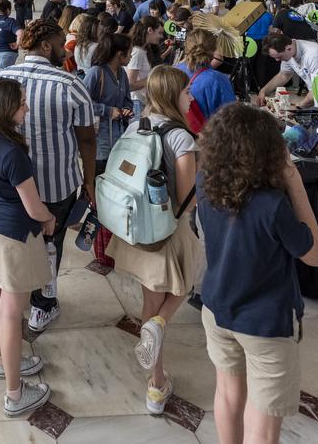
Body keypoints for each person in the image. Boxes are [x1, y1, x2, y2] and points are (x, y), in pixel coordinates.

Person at [197, 103, 318, 443]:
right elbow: (315, 255)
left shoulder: (205, 183)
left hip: (217, 308)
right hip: (266, 323)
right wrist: (294, 182)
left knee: (227, 391)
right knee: (264, 415)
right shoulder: (272, 204)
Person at [106, 65, 203, 415]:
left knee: (151, 298)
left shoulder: (136, 126)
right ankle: (160, 325)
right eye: (186, 91)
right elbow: (188, 197)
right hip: (170, 228)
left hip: (139, 228)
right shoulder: (182, 138)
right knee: (184, 283)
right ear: (173, 95)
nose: (190, 97)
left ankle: (156, 386)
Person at [0, 20, 97, 332]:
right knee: (50, 244)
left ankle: (15, 296)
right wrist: (90, 181)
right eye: (59, 41)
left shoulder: (3, 77)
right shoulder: (69, 84)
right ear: (45, 45)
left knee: (18, 242)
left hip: (11, 185)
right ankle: (43, 304)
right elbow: (87, 139)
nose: (63, 47)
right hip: (56, 185)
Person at [0, 77, 54, 417]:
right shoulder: (12, 151)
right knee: (11, 310)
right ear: (6, 109)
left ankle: (3, 360)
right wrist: (48, 219)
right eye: (21, 104)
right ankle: (15, 395)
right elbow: (33, 207)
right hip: (16, 236)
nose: (27, 108)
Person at [256, 33, 318, 146]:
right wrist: (263, 91)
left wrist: (298, 107)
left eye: (279, 56)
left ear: (288, 48)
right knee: (310, 140)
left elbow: (316, 92)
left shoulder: (315, 55)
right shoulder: (289, 51)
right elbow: (284, 75)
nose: (277, 60)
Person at [83, 33, 134, 168]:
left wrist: (127, 109)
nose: (131, 56)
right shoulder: (96, 72)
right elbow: (81, 102)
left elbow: (128, 100)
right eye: (129, 53)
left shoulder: (122, 73)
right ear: (119, 54)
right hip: (99, 142)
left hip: (118, 139)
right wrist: (107, 111)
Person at [176, 29, 237, 123]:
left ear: (186, 47)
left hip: (178, 131)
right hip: (208, 134)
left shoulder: (174, 71)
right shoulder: (218, 79)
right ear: (214, 50)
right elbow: (231, 117)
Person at [126, 16, 165, 113]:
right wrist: (153, 77)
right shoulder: (137, 52)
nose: (161, 37)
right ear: (150, 30)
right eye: (159, 33)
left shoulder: (142, 50)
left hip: (141, 101)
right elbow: (130, 85)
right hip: (137, 102)